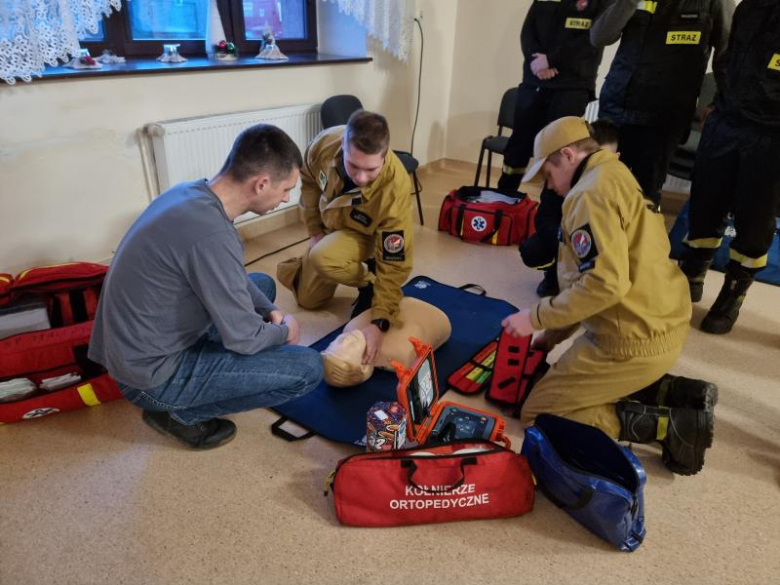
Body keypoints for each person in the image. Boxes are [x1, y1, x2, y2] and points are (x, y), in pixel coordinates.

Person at [502, 117, 717, 476]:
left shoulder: (587, 195)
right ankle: (671, 392)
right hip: (662, 323)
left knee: (539, 414)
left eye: (548, 175)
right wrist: (551, 336)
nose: (549, 187)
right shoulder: (613, 172)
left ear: (567, 155)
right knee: (557, 383)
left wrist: (534, 317)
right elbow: (585, 280)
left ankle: (672, 426)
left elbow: (604, 285)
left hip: (629, 341)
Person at [88, 124, 324, 450]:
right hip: (149, 379)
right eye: (286, 189)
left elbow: (230, 277)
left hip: (134, 349)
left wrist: (270, 310)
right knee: (309, 368)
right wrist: (285, 331)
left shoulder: (190, 193)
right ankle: (179, 415)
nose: (286, 198)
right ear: (261, 184)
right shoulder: (212, 235)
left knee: (262, 287)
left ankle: (208, 367)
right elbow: (245, 338)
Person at [277, 110, 413, 365]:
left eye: (371, 169)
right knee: (308, 300)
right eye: (353, 165)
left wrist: (380, 321)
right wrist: (315, 232)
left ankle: (370, 282)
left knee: (323, 258)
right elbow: (309, 181)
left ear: (385, 155)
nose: (360, 177)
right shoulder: (323, 145)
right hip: (331, 224)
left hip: (367, 236)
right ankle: (332, 258)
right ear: (343, 145)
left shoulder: (395, 188)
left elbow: (395, 260)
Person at [679, 0, 780, 335]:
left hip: (770, 136)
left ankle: (733, 293)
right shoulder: (749, 7)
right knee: (706, 203)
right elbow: (727, 55)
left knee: (754, 221)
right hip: (726, 121)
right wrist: (717, 102)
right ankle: (691, 275)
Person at [591, 0, 734, 209]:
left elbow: (727, 54)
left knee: (644, 195)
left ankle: (638, 231)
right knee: (599, 185)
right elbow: (599, 37)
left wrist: (719, 102)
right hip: (617, 108)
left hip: (666, 116)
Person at [496, 0, 609, 192]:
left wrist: (551, 60)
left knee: (560, 151)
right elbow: (528, 32)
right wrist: (537, 62)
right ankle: (504, 198)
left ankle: (549, 208)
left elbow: (593, 39)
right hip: (535, 80)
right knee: (519, 145)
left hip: (572, 86)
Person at [520, 118, 619, 297]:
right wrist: (566, 240)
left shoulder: (595, 192)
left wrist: (542, 313)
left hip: (624, 295)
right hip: (565, 241)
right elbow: (544, 220)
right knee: (535, 250)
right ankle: (554, 275)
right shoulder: (566, 182)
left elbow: (604, 282)